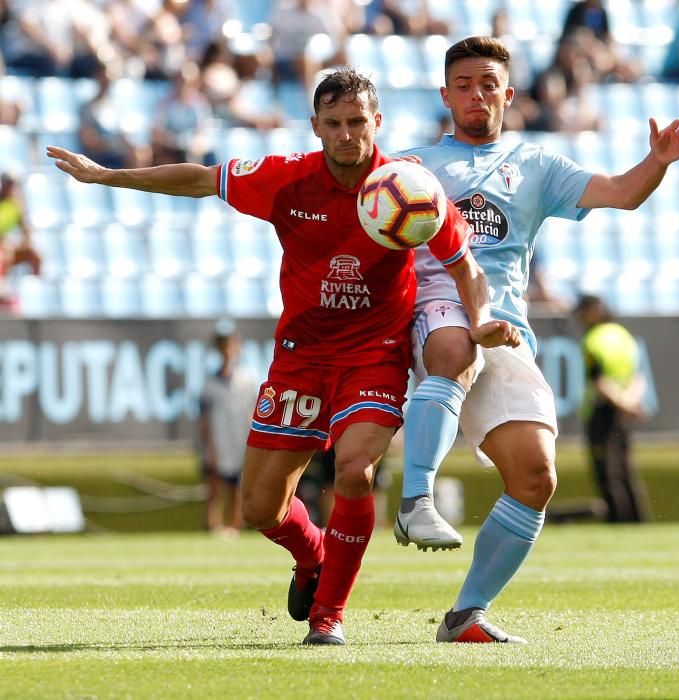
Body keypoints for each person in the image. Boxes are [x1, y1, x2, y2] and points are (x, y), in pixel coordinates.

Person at [46, 68, 520, 646]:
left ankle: (329, 617)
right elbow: (200, 179)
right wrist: (108, 176)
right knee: (260, 508)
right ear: (315, 126)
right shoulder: (286, 178)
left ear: (378, 122)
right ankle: (312, 552)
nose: (347, 135)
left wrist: (480, 321)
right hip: (301, 357)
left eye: (357, 122)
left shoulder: (411, 188)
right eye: (334, 124)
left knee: (355, 472)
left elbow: (464, 267)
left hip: (375, 352)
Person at [393, 36, 679, 643]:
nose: (477, 95)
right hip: (433, 317)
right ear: (445, 95)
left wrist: (656, 162)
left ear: (508, 92)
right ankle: (414, 501)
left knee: (536, 477)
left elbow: (620, 193)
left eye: (488, 84)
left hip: (504, 332)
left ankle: (465, 614)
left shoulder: (536, 166)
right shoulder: (409, 168)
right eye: (464, 85)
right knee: (453, 350)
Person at [573, 293, 649, 523]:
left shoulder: (592, 340)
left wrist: (622, 402)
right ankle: (638, 519)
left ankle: (618, 520)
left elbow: (600, 381)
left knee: (607, 470)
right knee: (626, 469)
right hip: (625, 410)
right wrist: (630, 403)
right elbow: (638, 376)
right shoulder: (623, 336)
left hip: (603, 411)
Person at [198, 319, 260, 537]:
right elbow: (204, 418)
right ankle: (213, 525)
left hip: (240, 439)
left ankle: (235, 526)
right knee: (214, 485)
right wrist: (209, 447)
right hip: (219, 440)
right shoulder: (209, 383)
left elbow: (254, 411)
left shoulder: (247, 379)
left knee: (237, 486)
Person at [0, 172, 41, 312]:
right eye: (7, 183)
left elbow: (26, 229)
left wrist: (26, 242)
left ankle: (37, 292)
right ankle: (3, 287)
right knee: (5, 253)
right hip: (3, 247)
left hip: (5, 246)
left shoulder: (16, 206)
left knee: (34, 255)